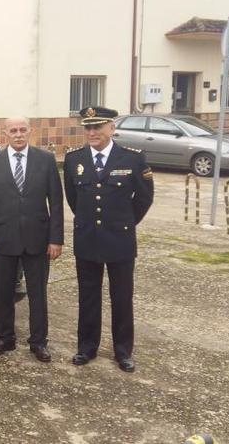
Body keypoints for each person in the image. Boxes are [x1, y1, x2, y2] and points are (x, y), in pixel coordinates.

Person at [63, 106, 154, 372]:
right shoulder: (73, 159)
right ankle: (86, 347)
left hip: (120, 240)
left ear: (111, 128)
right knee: (88, 296)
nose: (92, 132)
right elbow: (73, 199)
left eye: (97, 127)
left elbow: (144, 198)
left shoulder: (132, 159)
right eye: (88, 128)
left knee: (122, 296)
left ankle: (123, 351)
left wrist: (125, 223)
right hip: (88, 238)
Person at [0, 117, 63, 362]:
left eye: (23, 130)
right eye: (13, 130)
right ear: (5, 134)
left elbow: (55, 202)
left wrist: (56, 239)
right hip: (3, 238)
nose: (18, 134)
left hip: (38, 239)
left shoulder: (45, 161)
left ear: (30, 132)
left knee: (38, 293)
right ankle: (5, 337)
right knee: (3, 292)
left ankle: (38, 342)